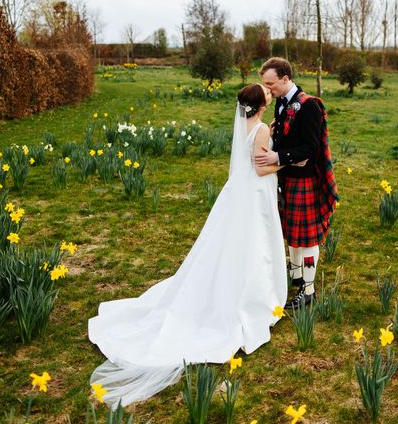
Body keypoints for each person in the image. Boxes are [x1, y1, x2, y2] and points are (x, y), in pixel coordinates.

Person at [88, 84, 288, 407]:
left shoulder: (247, 125)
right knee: (255, 249)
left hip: (238, 193)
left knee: (233, 248)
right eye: (266, 91)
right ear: (261, 103)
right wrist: (287, 162)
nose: (269, 92)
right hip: (254, 197)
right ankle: (253, 297)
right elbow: (261, 166)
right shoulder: (262, 129)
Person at [255, 57, 339, 310]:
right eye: (264, 85)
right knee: (292, 232)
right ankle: (296, 275)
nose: (267, 89)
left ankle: (309, 289)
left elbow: (311, 147)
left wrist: (278, 156)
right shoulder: (282, 102)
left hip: (305, 180)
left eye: (271, 84)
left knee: (307, 237)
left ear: (285, 78)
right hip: (287, 177)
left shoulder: (309, 106)